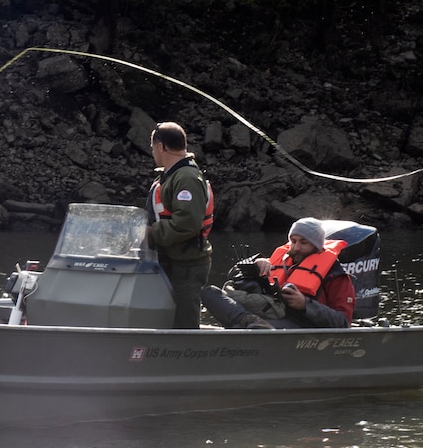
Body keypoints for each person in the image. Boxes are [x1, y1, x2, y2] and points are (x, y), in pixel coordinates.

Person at [201, 217, 356, 329]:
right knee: (209, 292)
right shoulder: (281, 260)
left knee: (239, 328)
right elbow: (232, 275)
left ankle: (246, 326)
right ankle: (248, 322)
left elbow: (343, 322)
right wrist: (254, 264)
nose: (296, 248)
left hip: (300, 324)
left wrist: (306, 305)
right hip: (265, 315)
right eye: (293, 241)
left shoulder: (336, 276)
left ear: (317, 247)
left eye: (303, 243)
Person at [146, 121, 214, 328]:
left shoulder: (186, 178)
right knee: (168, 317)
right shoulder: (173, 175)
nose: (153, 153)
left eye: (153, 148)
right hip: (173, 260)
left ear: (161, 147)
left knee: (184, 322)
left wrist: (150, 233)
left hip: (187, 264)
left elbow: (187, 223)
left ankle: (185, 356)